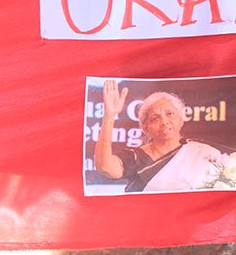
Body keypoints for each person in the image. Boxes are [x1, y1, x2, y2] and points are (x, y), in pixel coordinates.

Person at [94, 80, 222, 192]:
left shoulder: (202, 152)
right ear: (146, 129)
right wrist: (109, 116)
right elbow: (105, 167)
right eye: (155, 119)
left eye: (169, 114)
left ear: (181, 118)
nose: (164, 122)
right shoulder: (136, 157)